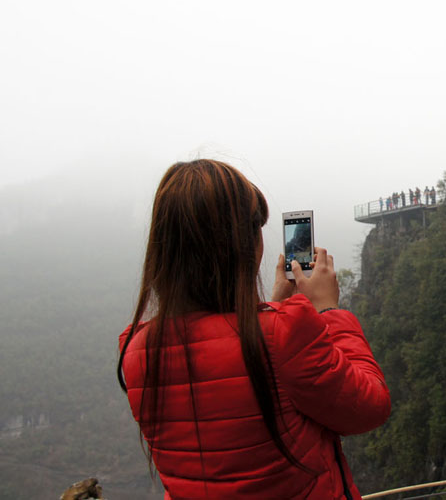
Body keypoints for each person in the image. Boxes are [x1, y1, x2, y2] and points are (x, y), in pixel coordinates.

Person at [117, 160, 391, 499]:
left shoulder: (138, 352)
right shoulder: (285, 335)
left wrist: (272, 307)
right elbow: (369, 406)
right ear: (246, 245)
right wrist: (327, 311)